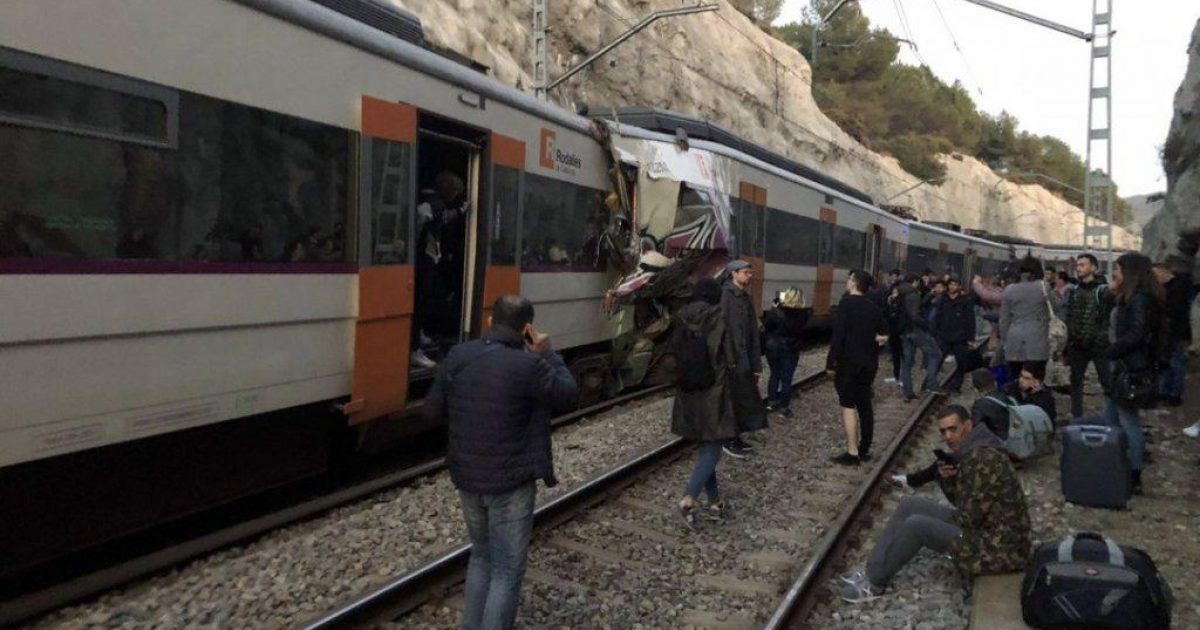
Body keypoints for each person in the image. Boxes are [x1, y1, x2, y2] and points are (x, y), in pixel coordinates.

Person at [424, 294, 578, 630]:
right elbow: (568, 394)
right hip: (511, 483)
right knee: (507, 569)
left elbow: (432, 411)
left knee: (481, 556)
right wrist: (548, 353)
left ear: (490, 321)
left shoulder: (458, 356)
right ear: (527, 329)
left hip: (467, 477)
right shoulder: (530, 366)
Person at [840, 405, 1031, 602]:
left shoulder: (982, 459)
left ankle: (875, 584)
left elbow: (968, 518)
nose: (947, 436)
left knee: (917, 525)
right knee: (910, 504)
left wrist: (936, 525)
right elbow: (965, 506)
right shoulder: (974, 451)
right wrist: (947, 479)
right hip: (987, 532)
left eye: (953, 429)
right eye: (943, 431)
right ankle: (873, 569)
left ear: (968, 425)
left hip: (1003, 550)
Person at [672, 278, 737, 530]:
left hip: (688, 389)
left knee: (705, 446)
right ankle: (689, 498)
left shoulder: (681, 316)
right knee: (714, 446)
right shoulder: (717, 316)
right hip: (714, 389)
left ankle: (715, 502)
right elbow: (729, 354)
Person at [1105, 253, 1164, 495]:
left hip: (1132, 368)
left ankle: (1133, 474)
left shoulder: (1139, 300)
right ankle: (1112, 465)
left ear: (1129, 272)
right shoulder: (1138, 297)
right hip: (1128, 366)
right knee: (1111, 417)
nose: (1114, 274)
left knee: (1128, 420)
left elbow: (1136, 333)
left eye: (1117, 270)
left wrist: (1113, 350)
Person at [827, 270, 888, 465]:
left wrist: (830, 363)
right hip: (869, 363)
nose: (847, 281)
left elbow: (838, 337)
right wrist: (872, 342)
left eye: (849, 279)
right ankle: (864, 447)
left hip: (848, 362)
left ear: (854, 283)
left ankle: (852, 452)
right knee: (865, 404)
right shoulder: (873, 307)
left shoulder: (846, 304)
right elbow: (885, 334)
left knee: (847, 404)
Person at [721, 260, 767, 458]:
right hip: (733, 360)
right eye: (746, 273)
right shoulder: (726, 298)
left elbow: (751, 334)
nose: (749, 276)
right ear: (734, 274)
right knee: (734, 399)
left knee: (742, 398)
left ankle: (736, 436)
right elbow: (727, 332)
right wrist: (731, 358)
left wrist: (755, 364)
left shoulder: (744, 298)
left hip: (743, 358)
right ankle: (729, 439)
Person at [1064, 253, 1114, 419]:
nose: (1078, 268)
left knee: (1107, 382)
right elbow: (1069, 316)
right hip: (1077, 346)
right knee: (1076, 383)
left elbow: (1109, 318)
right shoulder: (1074, 291)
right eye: (1078, 265)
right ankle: (1077, 416)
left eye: (1083, 265)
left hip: (1098, 346)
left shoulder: (1103, 291)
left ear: (1094, 267)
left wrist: (1101, 338)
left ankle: (1112, 417)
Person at [763, 287, 811, 416]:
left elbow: (767, 326)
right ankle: (784, 408)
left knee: (774, 375)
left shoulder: (776, 312)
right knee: (787, 379)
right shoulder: (804, 314)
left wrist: (774, 307)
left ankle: (771, 402)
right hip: (791, 349)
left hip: (773, 348)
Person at [999, 255, 1050, 377]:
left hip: (1014, 341)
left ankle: (1018, 396)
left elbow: (1004, 320)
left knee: (1016, 379)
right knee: (1036, 380)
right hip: (1038, 341)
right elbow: (1057, 306)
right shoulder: (1043, 287)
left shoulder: (1009, 290)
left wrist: (1005, 342)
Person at [898, 273, 944, 400]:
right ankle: (931, 383)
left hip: (904, 332)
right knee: (936, 354)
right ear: (914, 282)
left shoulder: (900, 293)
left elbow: (915, 307)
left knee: (906, 363)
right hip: (916, 331)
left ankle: (908, 392)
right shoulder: (913, 294)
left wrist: (929, 295)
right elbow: (914, 314)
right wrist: (926, 325)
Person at [1154, 259, 1192, 407]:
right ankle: (1165, 392)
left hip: (1178, 332)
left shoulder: (1179, 288)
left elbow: (1177, 311)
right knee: (1167, 363)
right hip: (1168, 332)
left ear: (1164, 272)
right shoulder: (1170, 288)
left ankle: (1174, 394)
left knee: (1176, 364)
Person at [937, 277, 977, 393]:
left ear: (959, 286)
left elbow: (970, 320)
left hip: (960, 337)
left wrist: (971, 337)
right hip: (944, 336)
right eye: (951, 284)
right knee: (938, 360)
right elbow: (937, 317)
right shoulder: (943, 299)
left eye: (955, 284)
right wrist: (935, 332)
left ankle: (956, 386)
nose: (952, 287)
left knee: (961, 363)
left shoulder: (966, 301)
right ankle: (930, 383)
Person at [884, 273, 906, 385]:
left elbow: (901, 319)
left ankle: (902, 377)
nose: (894, 294)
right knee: (896, 355)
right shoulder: (891, 302)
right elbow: (887, 315)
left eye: (896, 292)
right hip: (893, 332)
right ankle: (896, 376)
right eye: (893, 292)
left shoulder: (902, 304)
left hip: (899, 333)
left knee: (902, 356)